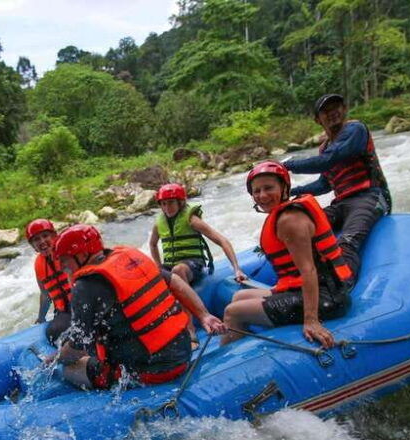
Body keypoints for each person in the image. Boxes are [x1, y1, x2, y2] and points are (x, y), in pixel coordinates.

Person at [49, 224, 226, 390]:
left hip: (150, 372)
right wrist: (204, 315)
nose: (63, 266)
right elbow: (176, 282)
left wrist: (54, 360)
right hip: (183, 352)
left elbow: (77, 347)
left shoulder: (85, 286)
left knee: (70, 369)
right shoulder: (130, 256)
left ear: (81, 255)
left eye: (65, 260)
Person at [222, 162, 353, 349]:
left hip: (328, 298)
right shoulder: (284, 214)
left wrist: (311, 321)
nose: (262, 195)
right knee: (239, 297)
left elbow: (308, 270)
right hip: (308, 289)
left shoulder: (289, 220)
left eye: (269, 188)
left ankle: (227, 363)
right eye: (256, 191)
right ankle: (243, 343)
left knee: (232, 311)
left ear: (284, 188)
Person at [282, 93, 391, 280]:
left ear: (344, 109)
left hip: (371, 196)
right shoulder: (324, 148)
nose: (333, 113)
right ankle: (305, 279)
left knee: (346, 242)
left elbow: (328, 161)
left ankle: (343, 287)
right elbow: (323, 184)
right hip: (341, 203)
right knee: (300, 231)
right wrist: (291, 192)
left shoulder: (355, 130)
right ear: (318, 119)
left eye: (336, 108)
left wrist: (287, 165)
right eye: (326, 111)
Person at [149, 182, 245, 347]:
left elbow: (221, 240)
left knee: (179, 270)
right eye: (163, 204)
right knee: (151, 276)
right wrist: (158, 266)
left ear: (180, 202)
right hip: (170, 266)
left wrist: (237, 269)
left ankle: (191, 331)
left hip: (193, 264)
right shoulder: (159, 223)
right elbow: (152, 244)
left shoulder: (191, 219)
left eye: (171, 202)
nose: (167, 207)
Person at [26, 218, 72, 344]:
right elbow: (46, 295)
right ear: (33, 246)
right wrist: (41, 318)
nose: (42, 242)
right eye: (36, 239)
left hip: (82, 303)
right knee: (53, 332)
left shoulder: (68, 252)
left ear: (54, 236)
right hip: (64, 311)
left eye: (45, 236)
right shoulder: (38, 264)